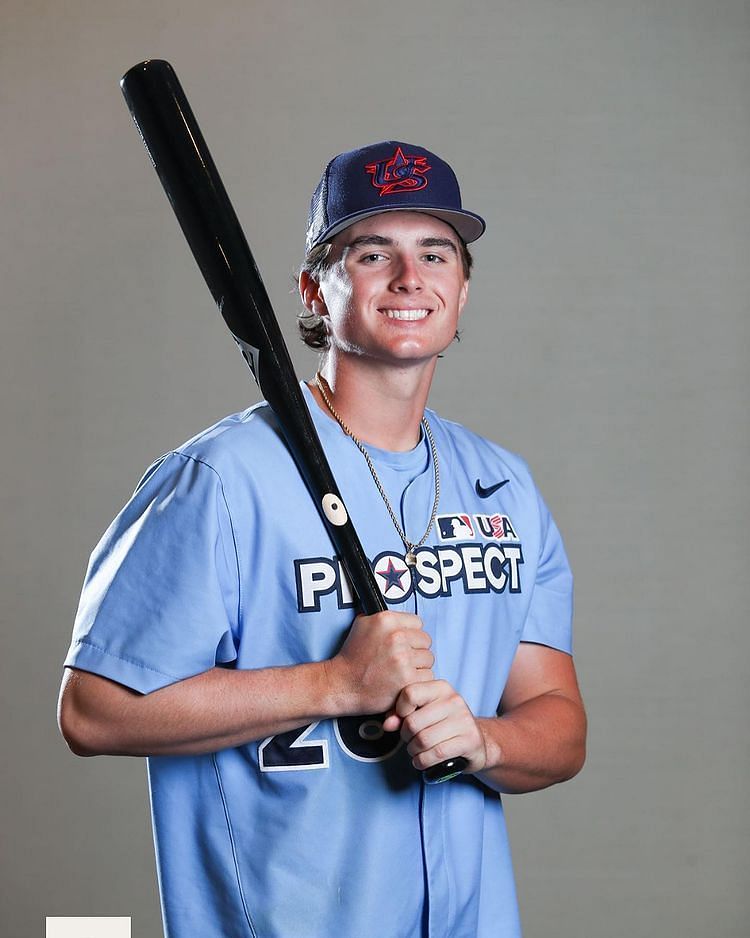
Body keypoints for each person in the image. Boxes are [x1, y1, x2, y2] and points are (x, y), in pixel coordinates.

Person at [59, 140, 586, 938]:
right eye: (373, 253)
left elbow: (557, 723)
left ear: (463, 287)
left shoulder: (503, 486)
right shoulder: (222, 479)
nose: (411, 279)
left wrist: (483, 739)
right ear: (314, 289)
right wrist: (335, 685)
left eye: (435, 252)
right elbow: (93, 712)